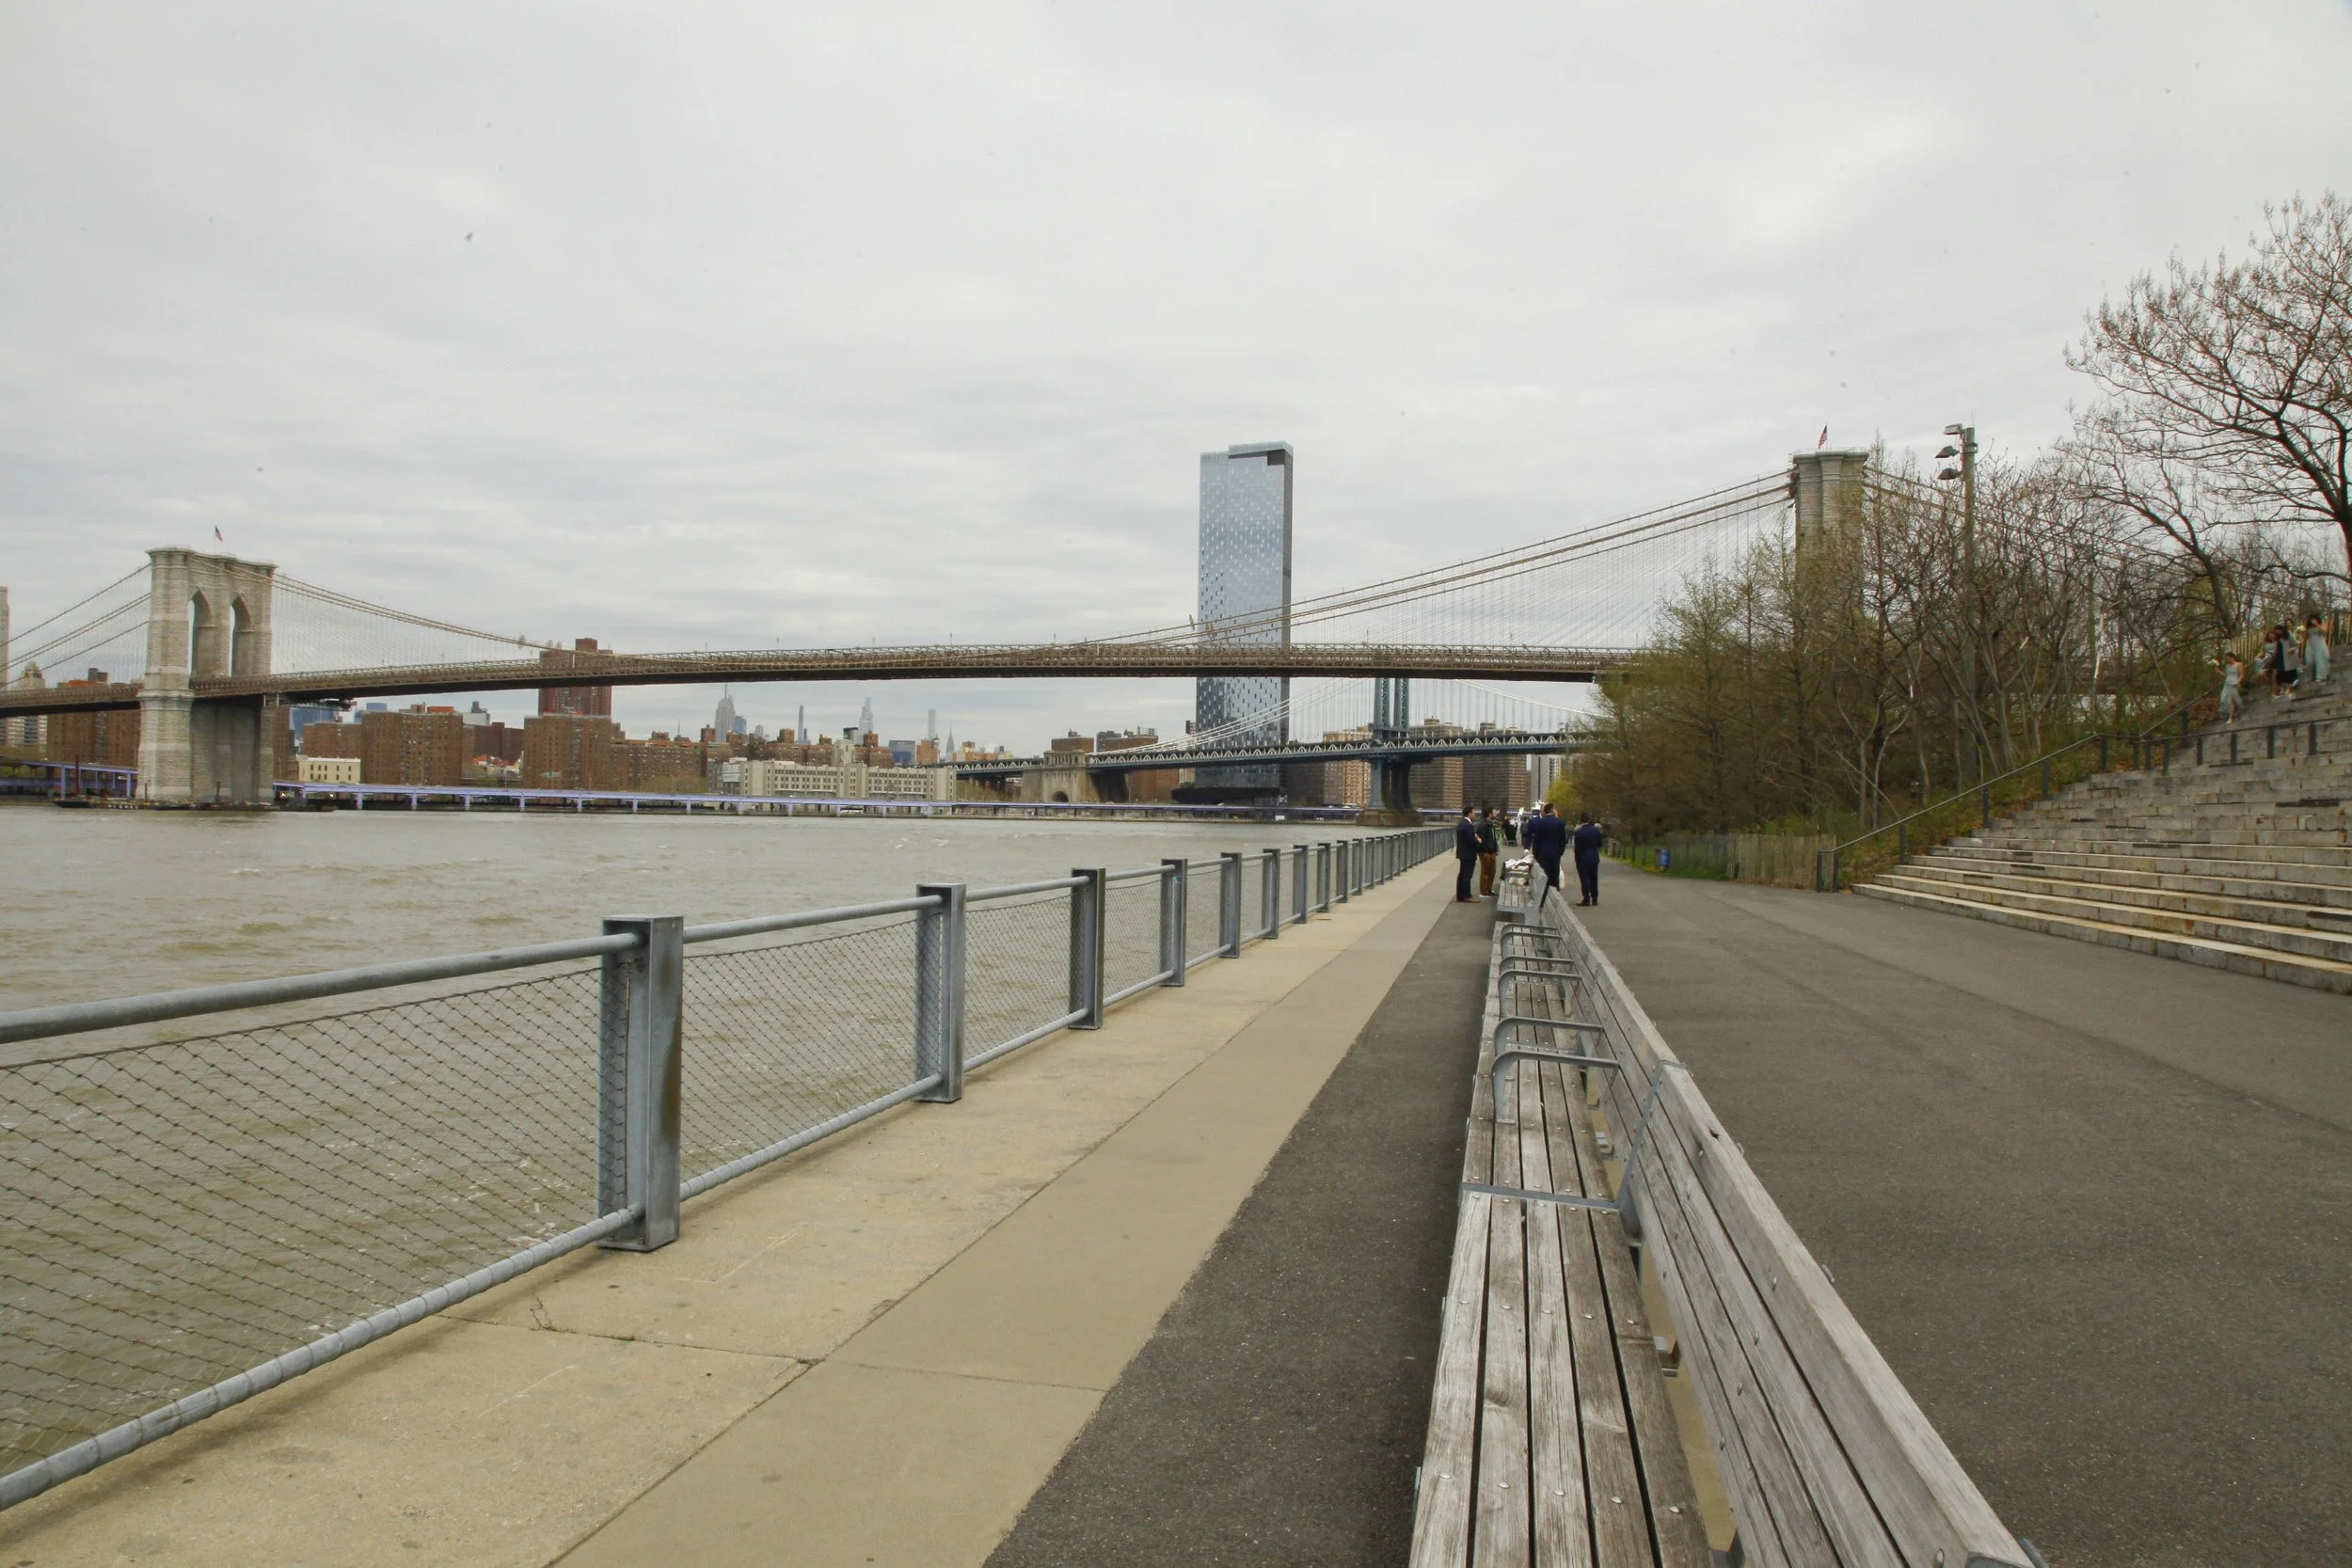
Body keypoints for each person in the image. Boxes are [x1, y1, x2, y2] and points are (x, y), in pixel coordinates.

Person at [1523, 801, 1567, 906]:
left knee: (1543, 877)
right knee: (1554, 876)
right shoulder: (1560, 823)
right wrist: (1560, 852)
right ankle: (1553, 900)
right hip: (1555, 854)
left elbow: (1537, 840)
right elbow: (1563, 840)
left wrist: (1536, 853)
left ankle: (1542, 900)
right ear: (1552, 810)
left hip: (1542, 854)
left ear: (1545, 811)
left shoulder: (1540, 823)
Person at [1572, 811, 1605, 907]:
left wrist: (1577, 858)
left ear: (1581, 820)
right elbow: (1600, 844)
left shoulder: (1578, 832)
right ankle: (1595, 898)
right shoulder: (1596, 831)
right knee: (1594, 878)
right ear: (1590, 819)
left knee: (1584, 878)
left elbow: (1577, 847)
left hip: (1582, 858)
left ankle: (1586, 898)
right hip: (1594, 857)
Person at [1453, 806, 1481, 902]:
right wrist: (1478, 841)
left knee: (1462, 874)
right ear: (1469, 814)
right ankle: (1467, 896)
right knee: (1467, 875)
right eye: (1473, 812)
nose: (1474, 814)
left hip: (1462, 853)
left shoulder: (1461, 824)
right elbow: (1471, 840)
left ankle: (1460, 896)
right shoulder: (1469, 826)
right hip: (1469, 853)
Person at [1475, 807, 1500, 897]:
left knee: (1492, 871)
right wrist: (1484, 851)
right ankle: (1483, 891)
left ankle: (1489, 889)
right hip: (1485, 852)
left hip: (1491, 851)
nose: (1496, 813)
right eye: (1494, 812)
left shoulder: (1490, 824)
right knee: (1485, 872)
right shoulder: (1483, 825)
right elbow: (1481, 839)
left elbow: (1493, 839)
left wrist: (1494, 849)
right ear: (1490, 814)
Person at [2304, 612, 2332, 687]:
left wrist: (2317, 624)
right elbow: (2306, 637)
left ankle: (2321, 676)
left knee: (2320, 659)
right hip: (2310, 644)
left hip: (2319, 643)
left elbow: (2324, 633)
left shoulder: (2322, 625)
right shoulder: (2308, 628)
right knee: (2309, 660)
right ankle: (2310, 677)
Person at [2217, 651, 2244, 723]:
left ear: (2233, 658)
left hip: (2234, 683)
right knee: (2223, 700)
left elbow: (2241, 674)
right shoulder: (2227, 666)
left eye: (2228, 658)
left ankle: (2230, 718)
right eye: (2226, 659)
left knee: (2231, 700)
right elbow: (2226, 675)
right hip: (2227, 684)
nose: (2227, 660)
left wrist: (2238, 682)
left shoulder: (2239, 664)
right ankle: (2233, 712)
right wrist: (2218, 671)